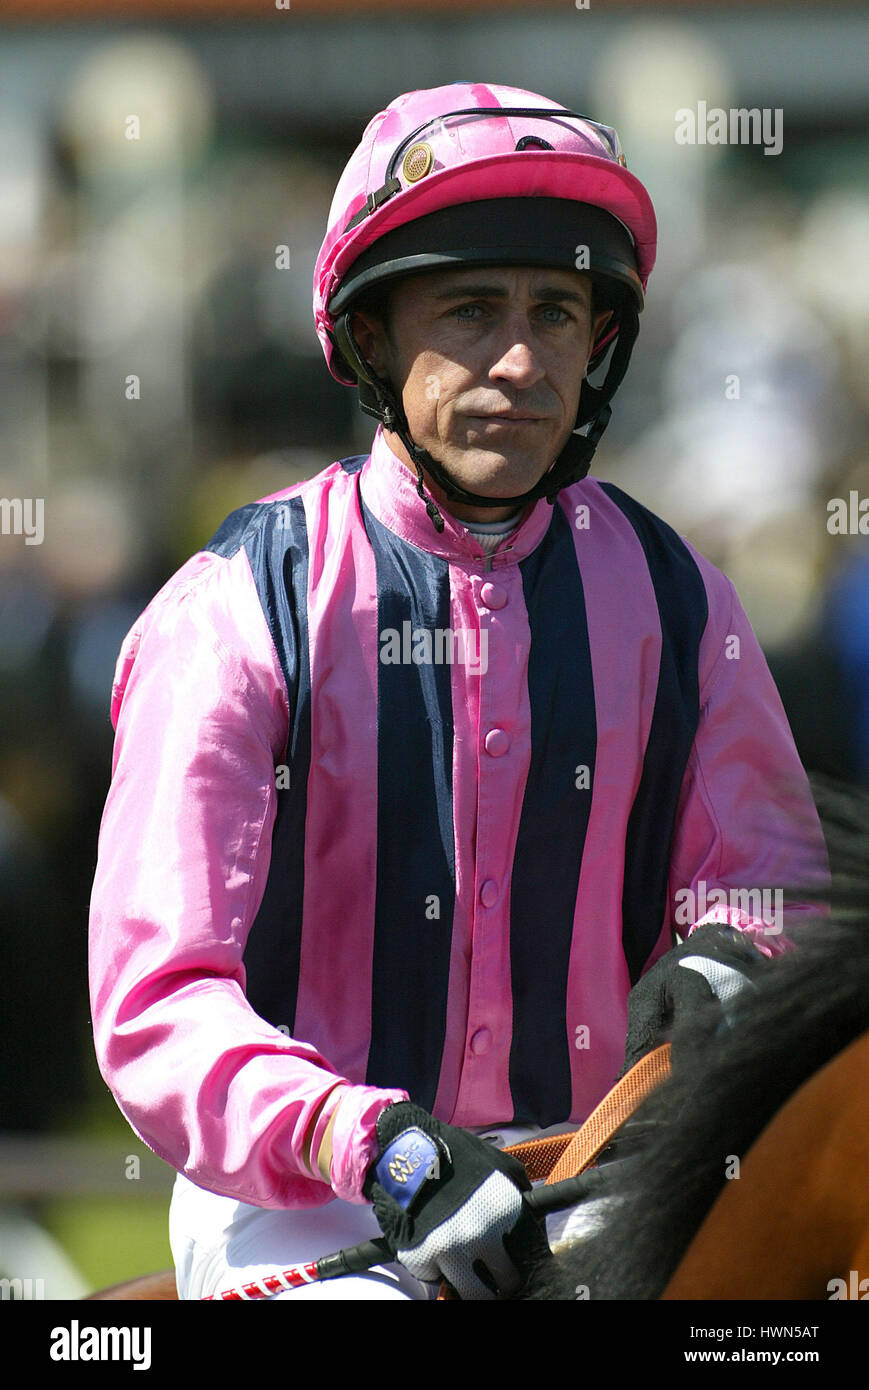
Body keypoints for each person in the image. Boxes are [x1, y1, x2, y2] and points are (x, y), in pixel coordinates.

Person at [88, 82, 826, 1301]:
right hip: (309, 1204)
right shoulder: (233, 612)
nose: (522, 361)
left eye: (556, 312)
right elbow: (157, 1003)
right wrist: (374, 1143)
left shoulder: (680, 599)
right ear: (371, 338)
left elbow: (771, 889)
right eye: (473, 310)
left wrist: (726, 965)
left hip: (597, 1177)